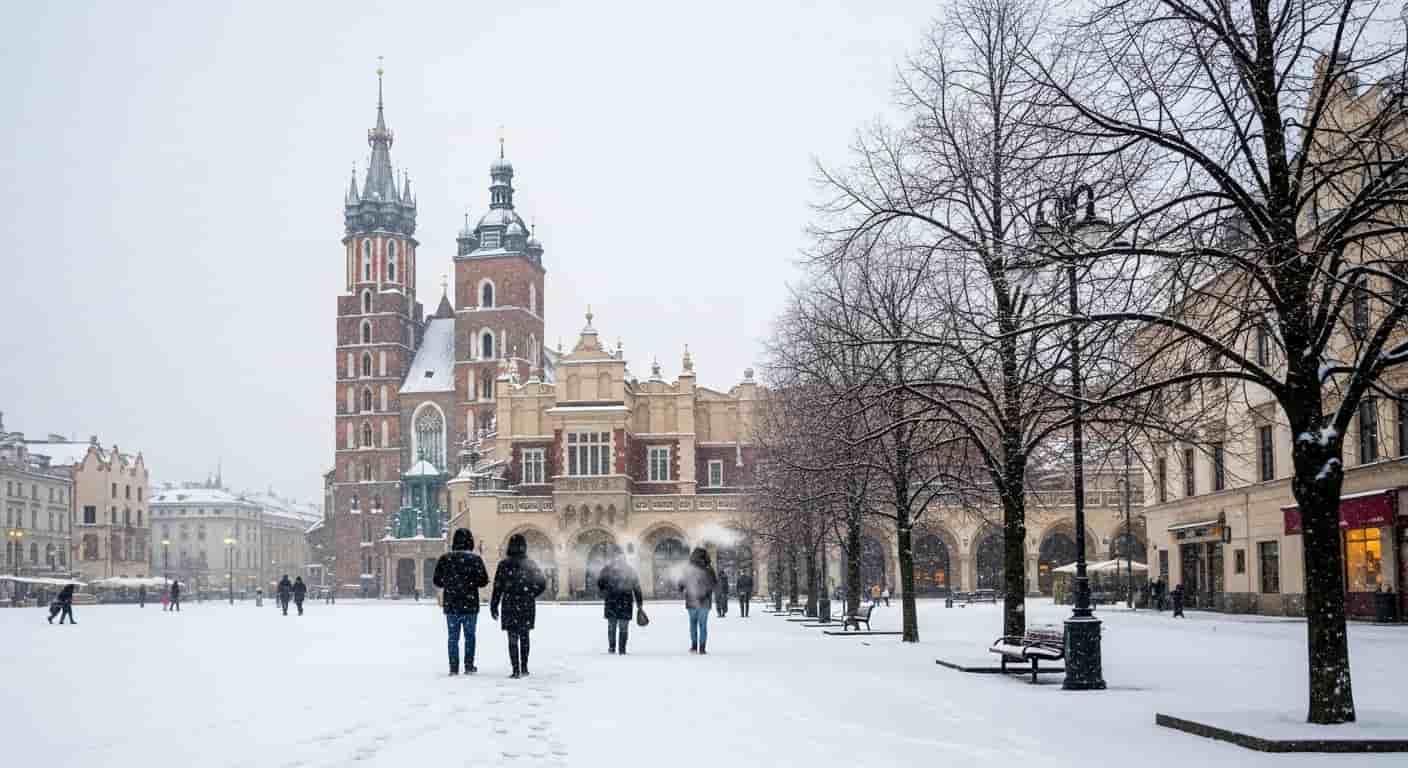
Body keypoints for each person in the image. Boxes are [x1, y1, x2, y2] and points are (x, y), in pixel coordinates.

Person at [433, 528, 491, 676]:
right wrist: (470, 582)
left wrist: (450, 582)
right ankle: (469, 665)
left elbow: (437, 581)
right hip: (470, 604)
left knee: (453, 637)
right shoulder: (475, 559)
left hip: (451, 604)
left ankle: (453, 667)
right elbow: (484, 581)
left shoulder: (445, 559)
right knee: (470, 636)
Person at [490, 533, 547, 679]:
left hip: (509, 602)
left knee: (512, 636)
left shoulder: (503, 564)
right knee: (525, 635)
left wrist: (494, 604)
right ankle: (525, 667)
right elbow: (542, 583)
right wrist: (531, 593)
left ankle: (515, 669)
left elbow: (498, 587)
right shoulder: (531, 563)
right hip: (526, 603)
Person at [596, 544, 643, 655]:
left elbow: (600, 584)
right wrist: (639, 603)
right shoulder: (630, 570)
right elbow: (637, 588)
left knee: (612, 627)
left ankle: (612, 648)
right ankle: (622, 650)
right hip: (625, 602)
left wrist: (605, 587)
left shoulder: (607, 569)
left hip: (612, 601)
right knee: (623, 628)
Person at [678, 547, 717, 655]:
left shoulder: (688, 569)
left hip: (691, 600)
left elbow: (681, 584)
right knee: (703, 625)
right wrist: (707, 592)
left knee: (693, 624)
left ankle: (694, 646)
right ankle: (702, 648)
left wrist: (683, 589)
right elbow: (714, 584)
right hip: (705, 601)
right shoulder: (709, 569)